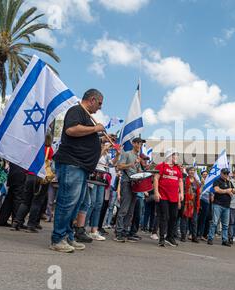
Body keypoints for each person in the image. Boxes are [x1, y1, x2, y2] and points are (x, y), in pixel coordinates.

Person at [50, 89, 105, 253]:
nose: (100, 108)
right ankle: (57, 239)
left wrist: (99, 139)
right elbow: (71, 130)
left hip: (81, 167)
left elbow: (84, 137)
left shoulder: (86, 116)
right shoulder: (76, 110)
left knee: (76, 205)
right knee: (67, 202)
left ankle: (68, 236)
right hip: (71, 163)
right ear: (92, 99)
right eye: (100, 103)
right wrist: (95, 129)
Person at [12, 134, 54, 233]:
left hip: (30, 175)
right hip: (41, 177)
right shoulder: (49, 150)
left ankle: (16, 222)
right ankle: (31, 225)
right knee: (37, 202)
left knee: (25, 200)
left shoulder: (33, 148)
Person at [114, 137, 146, 243]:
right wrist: (130, 164)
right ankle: (118, 232)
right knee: (124, 209)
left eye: (141, 144)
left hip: (135, 184)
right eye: (138, 143)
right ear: (133, 143)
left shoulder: (138, 157)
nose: (140, 145)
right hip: (126, 182)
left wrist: (142, 173)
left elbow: (139, 171)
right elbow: (119, 166)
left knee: (131, 211)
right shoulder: (127, 153)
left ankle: (125, 231)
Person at [154, 148, 184, 247]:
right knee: (164, 216)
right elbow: (156, 178)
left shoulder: (177, 168)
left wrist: (182, 193)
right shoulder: (161, 166)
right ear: (170, 156)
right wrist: (156, 192)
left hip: (174, 197)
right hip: (163, 196)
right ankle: (162, 238)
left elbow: (180, 180)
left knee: (174, 217)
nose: (177, 157)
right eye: (175, 155)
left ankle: (170, 237)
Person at [207, 168, 234, 246]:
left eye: (227, 173)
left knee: (225, 225)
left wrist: (230, 190)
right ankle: (210, 238)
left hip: (227, 206)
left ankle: (224, 240)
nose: (226, 175)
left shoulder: (229, 182)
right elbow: (217, 190)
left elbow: (234, 191)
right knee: (214, 222)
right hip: (218, 204)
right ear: (221, 173)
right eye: (224, 173)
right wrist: (227, 191)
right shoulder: (217, 181)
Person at [180, 167, 201, 243]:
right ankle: (183, 236)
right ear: (188, 171)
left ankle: (194, 237)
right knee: (184, 220)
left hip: (194, 203)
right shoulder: (184, 180)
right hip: (186, 202)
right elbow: (180, 190)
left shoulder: (196, 181)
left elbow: (199, 192)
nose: (192, 172)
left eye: (193, 170)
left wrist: (202, 185)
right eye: (190, 170)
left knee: (194, 221)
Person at [197, 170, 211, 241]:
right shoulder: (200, 183)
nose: (205, 175)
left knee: (207, 219)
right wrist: (202, 185)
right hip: (202, 201)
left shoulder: (210, 183)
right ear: (202, 175)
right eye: (204, 174)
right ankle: (199, 234)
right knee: (201, 219)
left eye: (206, 174)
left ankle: (204, 234)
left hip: (209, 202)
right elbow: (199, 192)